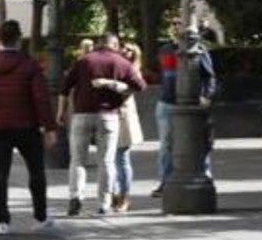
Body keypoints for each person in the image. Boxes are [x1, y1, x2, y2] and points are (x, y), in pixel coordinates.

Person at [0, 20, 57, 235]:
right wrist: (49, 127)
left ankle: (2, 221)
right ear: (19, 39)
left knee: (0, 173)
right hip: (26, 125)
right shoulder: (30, 64)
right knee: (36, 171)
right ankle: (40, 216)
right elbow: (41, 99)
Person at [57, 32, 145, 216]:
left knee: (77, 160)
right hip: (108, 116)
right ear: (114, 44)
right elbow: (140, 85)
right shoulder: (121, 62)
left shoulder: (83, 61)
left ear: (98, 44)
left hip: (81, 115)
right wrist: (115, 84)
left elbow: (64, 87)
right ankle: (103, 203)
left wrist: (60, 112)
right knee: (106, 161)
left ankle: (76, 198)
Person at [151, 17, 216, 198]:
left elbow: (209, 76)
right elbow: (164, 75)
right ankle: (165, 181)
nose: (176, 27)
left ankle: (205, 175)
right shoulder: (165, 50)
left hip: (192, 103)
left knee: (199, 142)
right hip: (166, 102)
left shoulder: (199, 50)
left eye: (179, 23)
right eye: (173, 24)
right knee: (166, 145)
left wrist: (206, 96)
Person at [113, 42, 144, 213]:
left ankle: (124, 197)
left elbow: (131, 89)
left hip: (124, 117)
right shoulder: (116, 66)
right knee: (111, 159)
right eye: (124, 48)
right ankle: (114, 195)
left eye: (130, 50)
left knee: (122, 158)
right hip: (112, 116)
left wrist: (110, 84)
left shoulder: (133, 70)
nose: (126, 51)